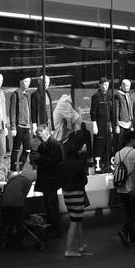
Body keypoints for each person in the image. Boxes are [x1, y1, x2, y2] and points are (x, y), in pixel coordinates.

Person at [30, 121, 67, 240]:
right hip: (46, 180)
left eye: (39, 134)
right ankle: (52, 228)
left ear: (45, 131)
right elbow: (42, 161)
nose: (38, 137)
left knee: (52, 206)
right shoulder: (43, 145)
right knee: (48, 206)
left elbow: (57, 160)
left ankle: (56, 229)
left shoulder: (54, 144)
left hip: (51, 180)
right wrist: (35, 159)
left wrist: (40, 158)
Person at [59, 119, 91, 256]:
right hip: (77, 193)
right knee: (75, 221)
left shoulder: (63, 164)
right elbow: (84, 180)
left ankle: (80, 245)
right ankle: (69, 249)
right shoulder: (78, 164)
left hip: (67, 194)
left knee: (76, 219)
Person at [111, 129, 135, 247]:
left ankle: (132, 237)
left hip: (121, 188)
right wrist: (134, 187)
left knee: (129, 212)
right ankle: (124, 231)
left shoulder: (117, 153)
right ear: (132, 139)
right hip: (132, 187)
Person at [9, 76, 34, 173]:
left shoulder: (27, 94)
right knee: (16, 149)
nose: (28, 83)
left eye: (29, 82)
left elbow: (28, 110)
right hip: (19, 125)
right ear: (20, 82)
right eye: (26, 81)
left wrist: (31, 124)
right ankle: (13, 170)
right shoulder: (16, 94)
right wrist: (13, 127)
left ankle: (20, 169)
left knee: (27, 149)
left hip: (27, 126)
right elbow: (12, 111)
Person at [90, 77, 112, 171]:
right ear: (100, 85)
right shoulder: (96, 96)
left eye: (107, 85)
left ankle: (106, 164)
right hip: (99, 124)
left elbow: (109, 111)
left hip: (107, 124)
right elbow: (93, 111)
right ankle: (97, 165)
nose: (106, 87)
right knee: (99, 144)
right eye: (105, 85)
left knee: (107, 144)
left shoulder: (107, 96)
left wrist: (110, 124)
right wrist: (94, 124)